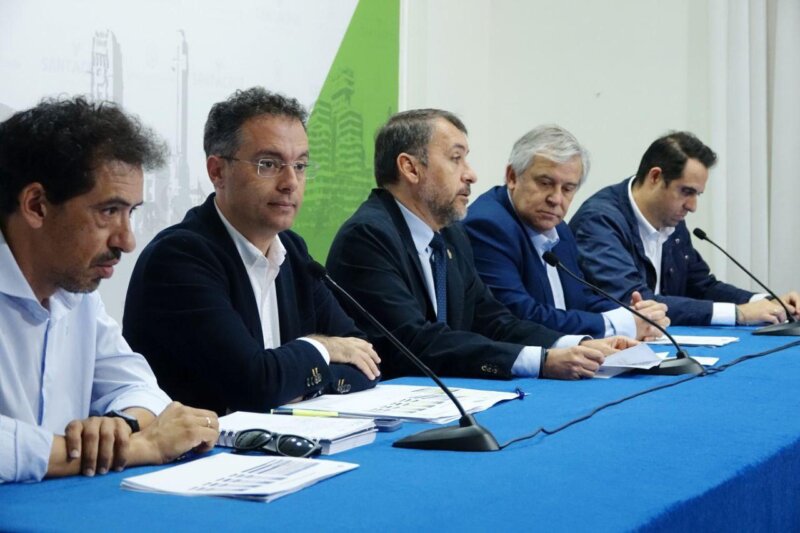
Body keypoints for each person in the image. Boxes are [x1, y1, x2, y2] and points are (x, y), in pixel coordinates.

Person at [0, 97, 218, 483]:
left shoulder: (76, 293)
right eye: (108, 212)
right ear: (36, 205)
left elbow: (139, 387)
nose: (127, 240)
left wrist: (118, 427)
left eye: (130, 212)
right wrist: (140, 447)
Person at [123, 88, 380, 416]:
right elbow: (256, 386)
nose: (290, 182)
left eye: (300, 166)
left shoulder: (294, 253)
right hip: (203, 459)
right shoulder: (180, 258)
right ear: (218, 172)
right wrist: (324, 348)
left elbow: (365, 359)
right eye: (269, 164)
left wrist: (299, 378)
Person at [327, 109, 636, 381]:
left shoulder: (451, 236)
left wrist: (573, 345)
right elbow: (417, 342)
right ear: (410, 168)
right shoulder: (368, 236)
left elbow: (493, 320)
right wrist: (540, 362)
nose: (471, 174)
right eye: (456, 158)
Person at [569, 131, 800, 326]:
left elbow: (701, 286)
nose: (692, 206)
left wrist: (766, 302)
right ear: (656, 177)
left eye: (697, 194)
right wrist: (738, 314)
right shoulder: (599, 221)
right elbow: (637, 303)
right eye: (686, 192)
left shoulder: (671, 220)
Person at [463, 125, 669, 340]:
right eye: (545, 183)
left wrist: (631, 314)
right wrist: (619, 324)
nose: (556, 199)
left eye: (568, 188)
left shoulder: (557, 226)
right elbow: (520, 315)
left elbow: (580, 297)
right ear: (512, 177)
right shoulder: (487, 226)